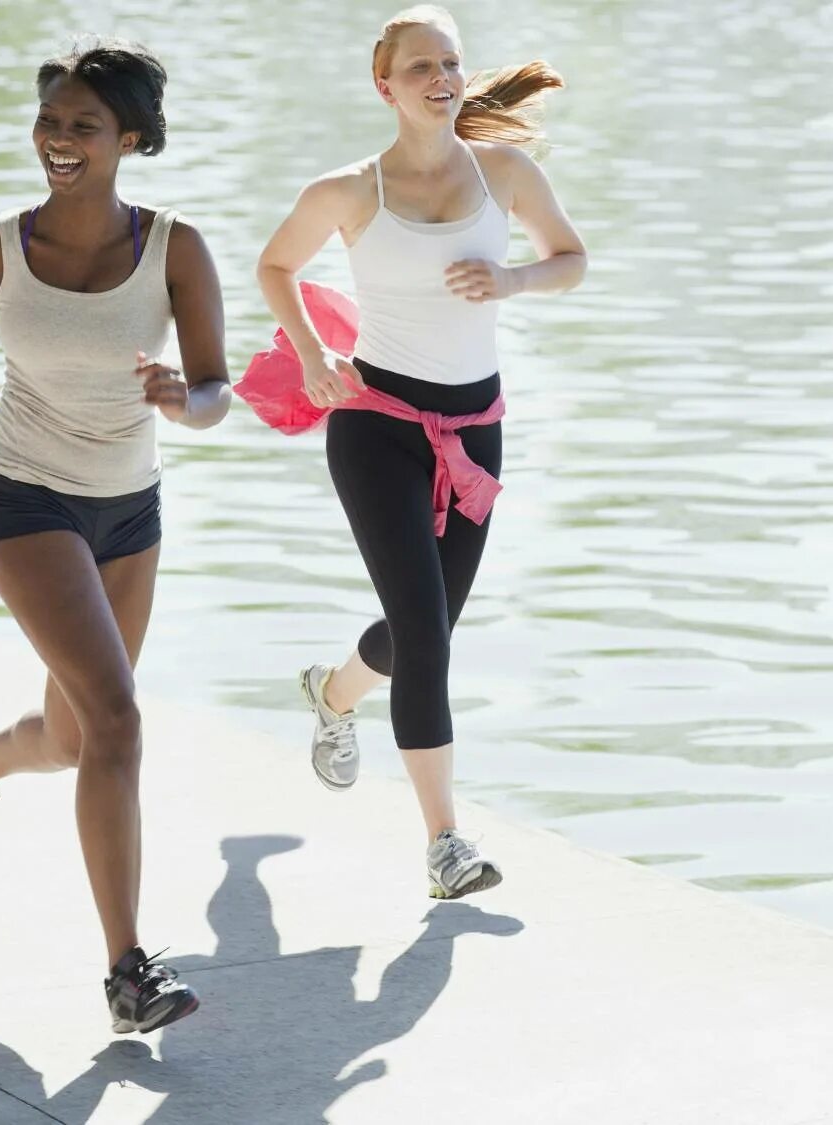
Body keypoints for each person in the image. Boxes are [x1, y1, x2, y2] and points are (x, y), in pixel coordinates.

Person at [0, 37, 231, 1035]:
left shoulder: (177, 249)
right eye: (50, 121)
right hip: (23, 498)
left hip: (128, 509)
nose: (59, 140)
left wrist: (185, 399)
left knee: (80, 737)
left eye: (83, 126)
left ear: (129, 138)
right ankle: (128, 972)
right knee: (118, 721)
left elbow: (213, 386)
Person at [254, 5, 587, 899]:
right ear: (385, 86)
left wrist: (512, 278)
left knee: (424, 629)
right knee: (427, 639)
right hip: (377, 426)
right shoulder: (349, 191)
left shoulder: (505, 174)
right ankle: (446, 844)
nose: (440, 78)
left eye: (450, 62)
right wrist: (317, 355)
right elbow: (274, 266)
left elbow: (570, 258)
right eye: (420, 67)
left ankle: (332, 693)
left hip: (475, 432)